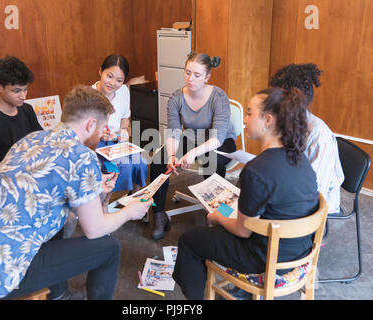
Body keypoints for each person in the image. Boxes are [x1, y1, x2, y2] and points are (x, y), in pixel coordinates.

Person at [0, 85, 153, 300]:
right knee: (109, 248)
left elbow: (46, 186)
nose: (104, 133)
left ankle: (58, 294)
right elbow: (95, 229)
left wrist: (93, 186)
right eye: (102, 127)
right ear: (91, 124)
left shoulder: (32, 139)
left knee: (57, 220)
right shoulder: (83, 157)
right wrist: (130, 212)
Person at [172, 87, 319, 300]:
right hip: (300, 253)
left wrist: (217, 217)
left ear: (268, 120)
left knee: (189, 241)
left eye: (250, 113)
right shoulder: (301, 160)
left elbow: (243, 231)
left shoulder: (257, 170)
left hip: (264, 259)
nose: (245, 120)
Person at [149, 53, 237, 240]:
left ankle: (216, 216)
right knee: (158, 161)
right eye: (188, 73)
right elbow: (173, 131)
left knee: (213, 162)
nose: (190, 79)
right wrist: (172, 155)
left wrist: (192, 154)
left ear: (207, 77)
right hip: (191, 137)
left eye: (197, 75)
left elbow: (218, 138)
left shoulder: (218, 96)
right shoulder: (176, 98)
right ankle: (158, 215)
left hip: (219, 140)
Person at [269, 63, 344, 214]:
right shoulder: (287, 122)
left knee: (255, 209)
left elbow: (315, 188)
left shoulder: (319, 135)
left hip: (314, 201)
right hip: (292, 186)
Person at [92, 54, 148, 212]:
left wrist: (124, 131)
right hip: (95, 147)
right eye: (109, 76)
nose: (112, 83)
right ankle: (104, 203)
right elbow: (83, 133)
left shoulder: (123, 91)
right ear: (100, 71)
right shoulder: (89, 96)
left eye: (119, 80)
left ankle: (135, 198)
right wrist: (101, 135)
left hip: (116, 142)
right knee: (122, 166)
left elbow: (125, 116)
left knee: (140, 162)